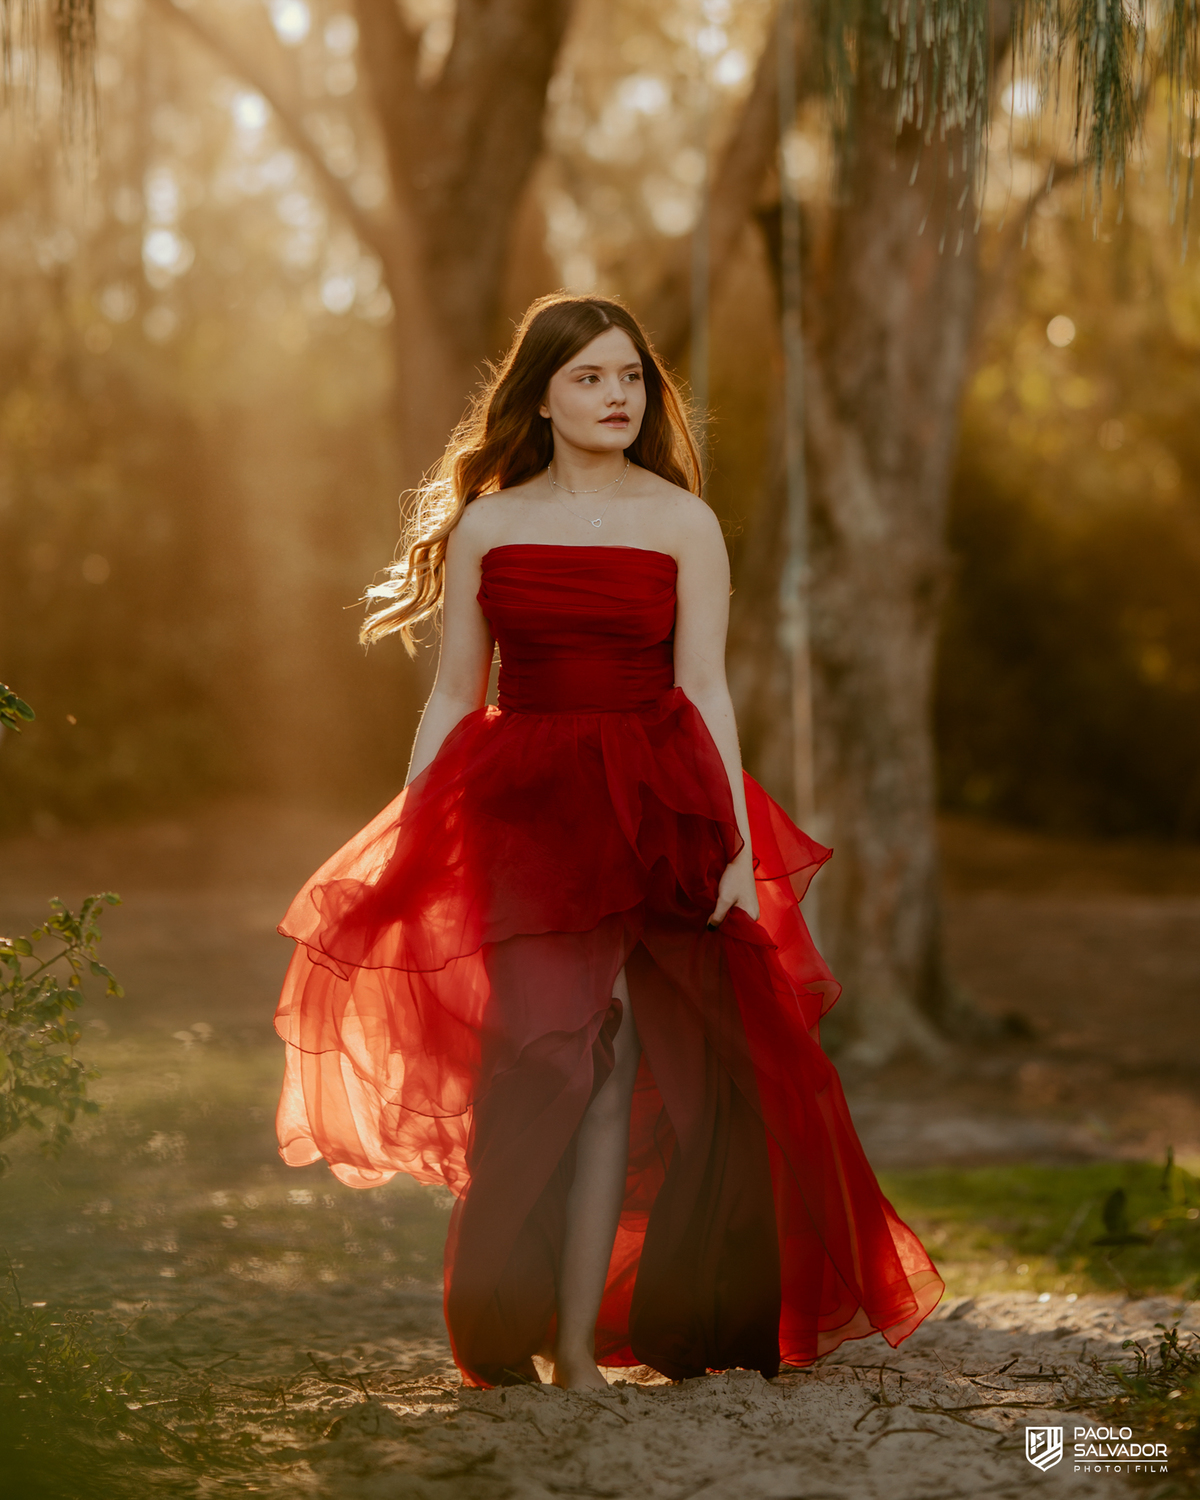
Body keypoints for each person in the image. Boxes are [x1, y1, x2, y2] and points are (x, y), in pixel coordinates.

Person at [273, 292, 943, 1393]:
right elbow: (453, 697)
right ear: (542, 394)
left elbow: (706, 686)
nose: (617, 397)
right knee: (544, 1062)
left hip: (655, 809)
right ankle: (515, 1322)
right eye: (590, 378)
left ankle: (585, 1349)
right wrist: (411, 833)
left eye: (631, 378)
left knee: (636, 1067)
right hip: (527, 817)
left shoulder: (684, 522)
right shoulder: (488, 523)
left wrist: (732, 840)